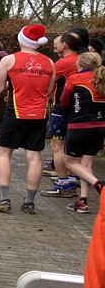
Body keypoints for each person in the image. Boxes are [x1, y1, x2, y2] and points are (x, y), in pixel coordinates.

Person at [0, 25, 56, 214]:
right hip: (39, 114)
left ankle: (4, 198)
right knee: (34, 157)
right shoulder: (50, 63)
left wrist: (11, 83)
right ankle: (29, 201)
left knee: (4, 154)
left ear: (21, 40)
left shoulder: (9, 60)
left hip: (15, 112)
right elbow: (49, 91)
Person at [59, 51, 105, 214]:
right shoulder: (102, 78)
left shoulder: (75, 78)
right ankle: (82, 200)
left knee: (70, 162)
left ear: (80, 64)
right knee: (86, 164)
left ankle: (99, 184)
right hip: (100, 127)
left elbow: (64, 101)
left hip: (79, 125)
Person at [44, 32, 84, 198]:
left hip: (62, 108)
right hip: (79, 109)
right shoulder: (81, 60)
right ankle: (73, 179)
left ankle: (64, 184)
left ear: (65, 45)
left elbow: (48, 81)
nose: (55, 47)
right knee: (72, 147)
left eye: (57, 44)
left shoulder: (63, 63)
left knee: (57, 147)